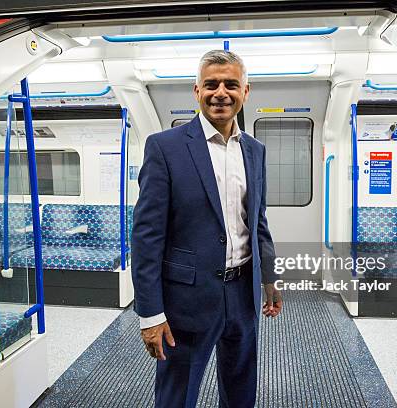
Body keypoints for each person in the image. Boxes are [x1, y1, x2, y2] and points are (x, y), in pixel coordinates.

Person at [131, 49, 283, 408]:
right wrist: (150, 313)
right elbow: (146, 236)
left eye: (231, 84)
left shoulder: (255, 151)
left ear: (246, 92)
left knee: (241, 389)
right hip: (187, 298)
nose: (221, 93)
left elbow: (257, 220)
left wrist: (269, 279)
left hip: (242, 293)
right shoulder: (165, 148)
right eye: (211, 84)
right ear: (196, 91)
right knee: (177, 396)